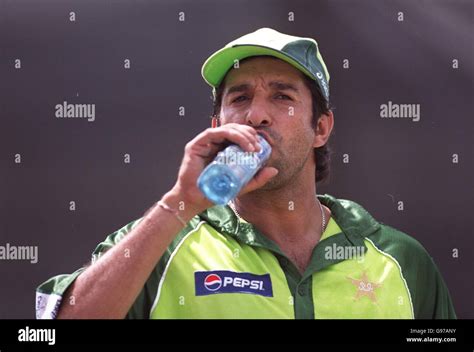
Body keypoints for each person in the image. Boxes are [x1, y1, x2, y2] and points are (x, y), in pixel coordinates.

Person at [36, 28, 456, 319]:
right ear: (218, 126)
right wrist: (180, 203)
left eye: (281, 96)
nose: (257, 115)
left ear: (321, 128)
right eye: (240, 98)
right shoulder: (161, 248)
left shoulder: (401, 260)